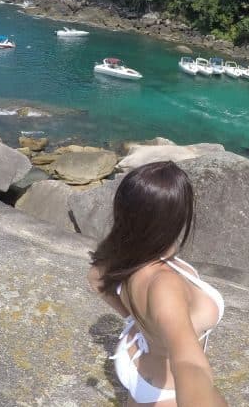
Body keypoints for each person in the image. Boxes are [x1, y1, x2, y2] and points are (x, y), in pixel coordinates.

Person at [88, 161, 228, 407]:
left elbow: (96, 277)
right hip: (166, 390)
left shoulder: (122, 253)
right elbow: (188, 363)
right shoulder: (164, 284)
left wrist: (132, 316)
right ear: (177, 218)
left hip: (137, 363)